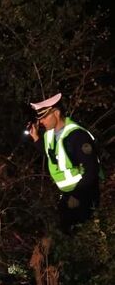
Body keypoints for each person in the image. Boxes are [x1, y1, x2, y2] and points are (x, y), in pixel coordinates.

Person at [27, 93, 101, 232]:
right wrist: (36, 138)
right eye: (40, 118)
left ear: (56, 113)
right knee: (64, 233)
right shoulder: (49, 134)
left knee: (81, 236)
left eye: (44, 117)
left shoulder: (77, 136)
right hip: (67, 195)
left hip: (83, 195)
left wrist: (77, 195)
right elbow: (52, 155)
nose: (41, 121)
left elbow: (91, 170)